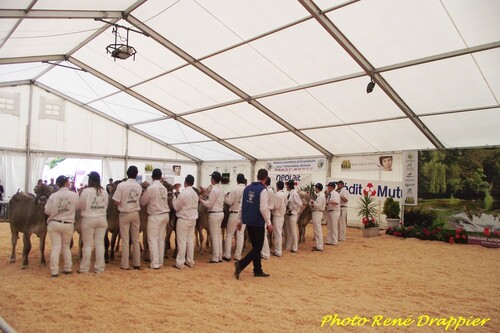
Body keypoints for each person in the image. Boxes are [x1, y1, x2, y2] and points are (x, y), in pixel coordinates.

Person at [234, 169, 273, 279]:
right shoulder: (263, 190)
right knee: (258, 248)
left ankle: (258, 269)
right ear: (266, 178)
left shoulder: (247, 188)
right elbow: (263, 209)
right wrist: (269, 223)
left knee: (255, 246)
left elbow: (242, 206)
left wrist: (239, 220)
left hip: (248, 221)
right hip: (257, 222)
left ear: (257, 176)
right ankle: (240, 265)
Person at [44, 175, 79, 277]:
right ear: (67, 183)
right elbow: (77, 207)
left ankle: (54, 271)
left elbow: (47, 211)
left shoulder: (53, 196)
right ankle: (68, 268)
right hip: (68, 224)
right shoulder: (74, 195)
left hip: (54, 223)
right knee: (66, 247)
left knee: (55, 247)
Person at [112, 165, 142, 270]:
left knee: (125, 239)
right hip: (135, 213)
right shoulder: (139, 186)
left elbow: (115, 200)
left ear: (127, 173)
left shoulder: (121, 185)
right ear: (136, 175)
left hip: (124, 213)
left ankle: (125, 265)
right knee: (136, 239)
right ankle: (137, 263)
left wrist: (119, 204)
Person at [78, 171, 108, 275]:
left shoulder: (86, 191)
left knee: (87, 244)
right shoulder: (104, 192)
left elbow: (81, 205)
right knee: (100, 244)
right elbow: (106, 205)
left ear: (90, 180)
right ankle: (99, 268)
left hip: (89, 219)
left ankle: (85, 268)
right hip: (102, 219)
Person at [140, 168, 170, 270]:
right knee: (161, 239)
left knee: (152, 239)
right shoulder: (164, 188)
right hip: (165, 215)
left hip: (155, 216)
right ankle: (160, 262)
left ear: (152, 177)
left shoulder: (151, 188)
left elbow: (143, 202)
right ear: (161, 177)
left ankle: (155, 263)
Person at [172, 174, 198, 269]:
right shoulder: (195, 194)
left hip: (183, 220)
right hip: (193, 219)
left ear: (185, 182)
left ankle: (179, 263)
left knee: (182, 241)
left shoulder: (183, 194)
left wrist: (175, 197)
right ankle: (190, 261)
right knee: (190, 241)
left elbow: (176, 207)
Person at [200, 171, 225, 263]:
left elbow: (209, 204)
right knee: (218, 235)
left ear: (213, 180)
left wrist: (201, 200)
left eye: (211, 178)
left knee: (214, 236)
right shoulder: (221, 189)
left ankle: (215, 258)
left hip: (214, 214)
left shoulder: (214, 190)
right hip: (220, 213)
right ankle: (220, 256)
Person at [223, 173, 246, 261]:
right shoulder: (247, 189)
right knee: (240, 235)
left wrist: (225, 197)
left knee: (229, 235)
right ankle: (238, 256)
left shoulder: (234, 189)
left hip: (234, 214)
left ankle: (227, 255)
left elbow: (229, 202)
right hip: (243, 215)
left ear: (237, 180)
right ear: (244, 180)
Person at [284, 180, 302, 253]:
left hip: (292, 214)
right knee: (288, 231)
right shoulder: (290, 193)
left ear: (289, 186)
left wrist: (293, 209)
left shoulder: (294, 193)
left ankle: (295, 247)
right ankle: (288, 245)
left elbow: (299, 204)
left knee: (293, 231)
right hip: (288, 214)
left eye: (287, 185)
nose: (286, 187)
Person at [272, 180, 287, 257]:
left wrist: (271, 210)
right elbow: (285, 204)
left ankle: (278, 251)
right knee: (279, 234)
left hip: (277, 215)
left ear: (277, 186)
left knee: (277, 234)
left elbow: (275, 206)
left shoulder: (277, 194)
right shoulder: (284, 194)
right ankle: (278, 250)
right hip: (282, 216)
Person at [261, 177, 274, 260]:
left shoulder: (267, 191)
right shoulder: (271, 190)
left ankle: (265, 253)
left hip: (266, 211)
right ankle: (264, 251)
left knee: (263, 234)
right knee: (263, 233)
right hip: (267, 211)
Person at [310, 183, 325, 251]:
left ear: (318, 188)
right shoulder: (318, 195)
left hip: (318, 212)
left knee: (318, 230)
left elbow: (319, 205)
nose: (315, 189)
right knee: (316, 230)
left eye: (316, 188)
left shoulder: (321, 196)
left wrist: (313, 203)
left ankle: (320, 246)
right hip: (316, 212)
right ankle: (318, 245)